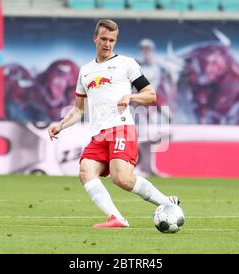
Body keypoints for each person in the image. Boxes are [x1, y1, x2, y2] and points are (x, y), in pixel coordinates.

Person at [47, 19, 179, 228]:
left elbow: (150, 95)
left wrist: (131, 97)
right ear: (95, 38)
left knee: (121, 179)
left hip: (121, 127)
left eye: (112, 40)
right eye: (104, 39)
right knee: (85, 171)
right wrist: (61, 125)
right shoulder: (86, 71)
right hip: (99, 134)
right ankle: (116, 218)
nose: (107, 44)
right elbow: (79, 109)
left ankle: (166, 202)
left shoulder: (127, 64)